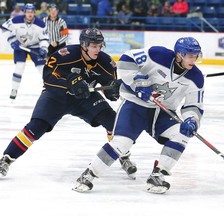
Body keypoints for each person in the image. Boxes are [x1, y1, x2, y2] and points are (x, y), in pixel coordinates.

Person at [73, 37, 204, 194]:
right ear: (179, 54)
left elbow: (194, 105)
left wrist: (192, 119)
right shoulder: (158, 55)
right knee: (121, 144)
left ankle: (157, 175)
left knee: (181, 134)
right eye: (190, 56)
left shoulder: (196, 77)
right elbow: (126, 60)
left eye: (196, 56)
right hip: (135, 105)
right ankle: (89, 174)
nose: (194, 59)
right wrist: (137, 83)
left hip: (161, 112)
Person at [0, 28, 136, 179]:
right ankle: (6, 159)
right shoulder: (65, 54)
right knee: (36, 126)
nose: (97, 49)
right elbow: (47, 76)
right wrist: (69, 82)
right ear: (83, 44)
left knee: (113, 122)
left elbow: (108, 86)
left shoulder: (106, 62)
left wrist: (113, 90)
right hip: (57, 96)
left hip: (86, 97)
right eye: (93, 45)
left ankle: (124, 156)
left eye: (99, 45)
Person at [1, 3, 49, 100]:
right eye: (28, 12)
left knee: (42, 68)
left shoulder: (40, 24)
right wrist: (12, 40)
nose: (30, 14)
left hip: (35, 46)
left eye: (31, 12)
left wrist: (43, 48)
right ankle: (14, 89)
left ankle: (48, 88)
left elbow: (45, 38)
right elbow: (4, 28)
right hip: (20, 46)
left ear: (34, 13)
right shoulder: (16, 20)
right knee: (19, 67)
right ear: (24, 12)